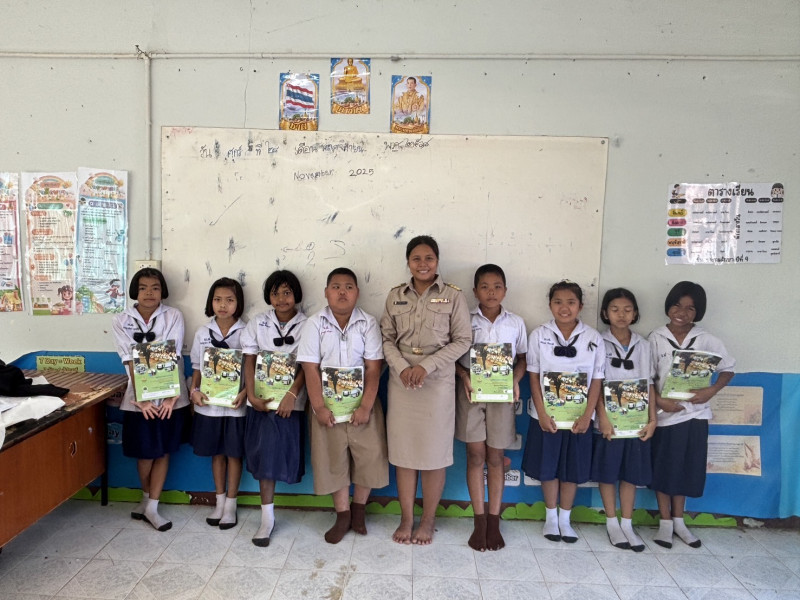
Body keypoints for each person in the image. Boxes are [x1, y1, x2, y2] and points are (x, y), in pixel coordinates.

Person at [380, 235, 471, 545]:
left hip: (437, 382)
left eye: (429, 258)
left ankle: (429, 519)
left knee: (434, 455)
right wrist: (402, 367)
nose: (423, 264)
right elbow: (386, 339)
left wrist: (427, 366)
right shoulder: (395, 296)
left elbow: (463, 340)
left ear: (437, 261)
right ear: (408, 262)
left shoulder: (453, 296)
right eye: (416, 258)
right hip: (402, 381)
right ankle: (406, 518)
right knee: (404, 454)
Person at [297, 268, 389, 544]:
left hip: (363, 404)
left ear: (357, 293)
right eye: (336, 287)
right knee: (332, 459)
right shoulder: (314, 324)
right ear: (326, 292)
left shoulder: (368, 323)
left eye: (348, 287)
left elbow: (374, 367)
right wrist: (318, 407)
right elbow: (310, 368)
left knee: (368, 458)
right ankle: (342, 514)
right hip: (327, 406)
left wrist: (366, 407)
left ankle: (359, 509)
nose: (342, 292)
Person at [649, 281, 735, 549]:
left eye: (690, 308)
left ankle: (679, 521)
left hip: (695, 416)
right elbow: (647, 377)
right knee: (664, 469)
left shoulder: (706, 339)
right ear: (668, 306)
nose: (682, 312)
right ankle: (664, 523)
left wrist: (711, 390)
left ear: (698, 312)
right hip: (664, 416)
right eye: (677, 305)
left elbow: (728, 368)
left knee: (686, 469)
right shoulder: (655, 338)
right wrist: (659, 400)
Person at [521, 280, 604, 543]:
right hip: (547, 416)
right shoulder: (539, 334)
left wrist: (588, 415)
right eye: (558, 302)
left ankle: (565, 519)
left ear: (580, 306)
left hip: (579, 417)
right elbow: (533, 376)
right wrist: (542, 413)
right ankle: (551, 518)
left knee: (571, 469)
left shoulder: (593, 338)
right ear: (550, 305)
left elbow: (597, 379)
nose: (564, 308)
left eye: (571, 302)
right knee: (548, 467)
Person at [454, 264, 527, 551]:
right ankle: (479, 520)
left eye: (497, 286)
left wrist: (515, 380)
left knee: (496, 457)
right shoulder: (464, 319)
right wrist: (464, 376)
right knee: (475, 456)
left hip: (502, 395)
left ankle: (494, 520)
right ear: (475, 291)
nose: (491, 292)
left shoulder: (515, 322)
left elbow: (522, 358)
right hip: (471, 393)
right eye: (484, 287)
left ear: (505, 291)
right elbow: (452, 356)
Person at [112, 267, 189, 532]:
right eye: (143, 287)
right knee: (145, 453)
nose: (149, 293)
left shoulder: (173, 315)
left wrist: (169, 398)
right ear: (135, 290)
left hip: (170, 398)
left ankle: (153, 508)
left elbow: (172, 356)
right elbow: (128, 360)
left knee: (163, 450)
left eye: (155, 288)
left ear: (162, 291)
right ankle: (146, 499)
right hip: (139, 401)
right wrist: (143, 398)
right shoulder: (121, 320)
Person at [241, 270, 308, 547]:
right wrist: (251, 393)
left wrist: (292, 395)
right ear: (269, 296)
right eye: (275, 293)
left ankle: (270, 514)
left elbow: (307, 365)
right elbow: (249, 359)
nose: (281, 298)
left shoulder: (309, 325)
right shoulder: (258, 323)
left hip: (291, 403)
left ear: (296, 295)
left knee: (284, 456)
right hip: (261, 402)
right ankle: (266, 518)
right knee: (264, 458)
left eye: (287, 292)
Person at [591, 288, 656, 552]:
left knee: (630, 474)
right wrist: (603, 418)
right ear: (605, 313)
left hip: (636, 422)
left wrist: (653, 419)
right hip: (609, 422)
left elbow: (649, 384)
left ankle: (627, 523)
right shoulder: (597, 341)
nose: (621, 314)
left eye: (627, 310)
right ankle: (612, 522)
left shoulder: (644, 345)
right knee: (608, 474)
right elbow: (595, 383)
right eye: (615, 309)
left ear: (635, 313)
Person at [188, 277, 247, 529]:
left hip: (235, 405)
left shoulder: (247, 332)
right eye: (217, 299)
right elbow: (196, 367)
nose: (223, 305)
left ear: (238, 303)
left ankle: (231, 505)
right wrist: (194, 390)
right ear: (210, 302)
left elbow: (252, 369)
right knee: (217, 453)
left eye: (229, 300)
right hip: (209, 405)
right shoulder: (203, 332)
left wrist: (245, 392)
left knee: (234, 453)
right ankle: (219, 501)